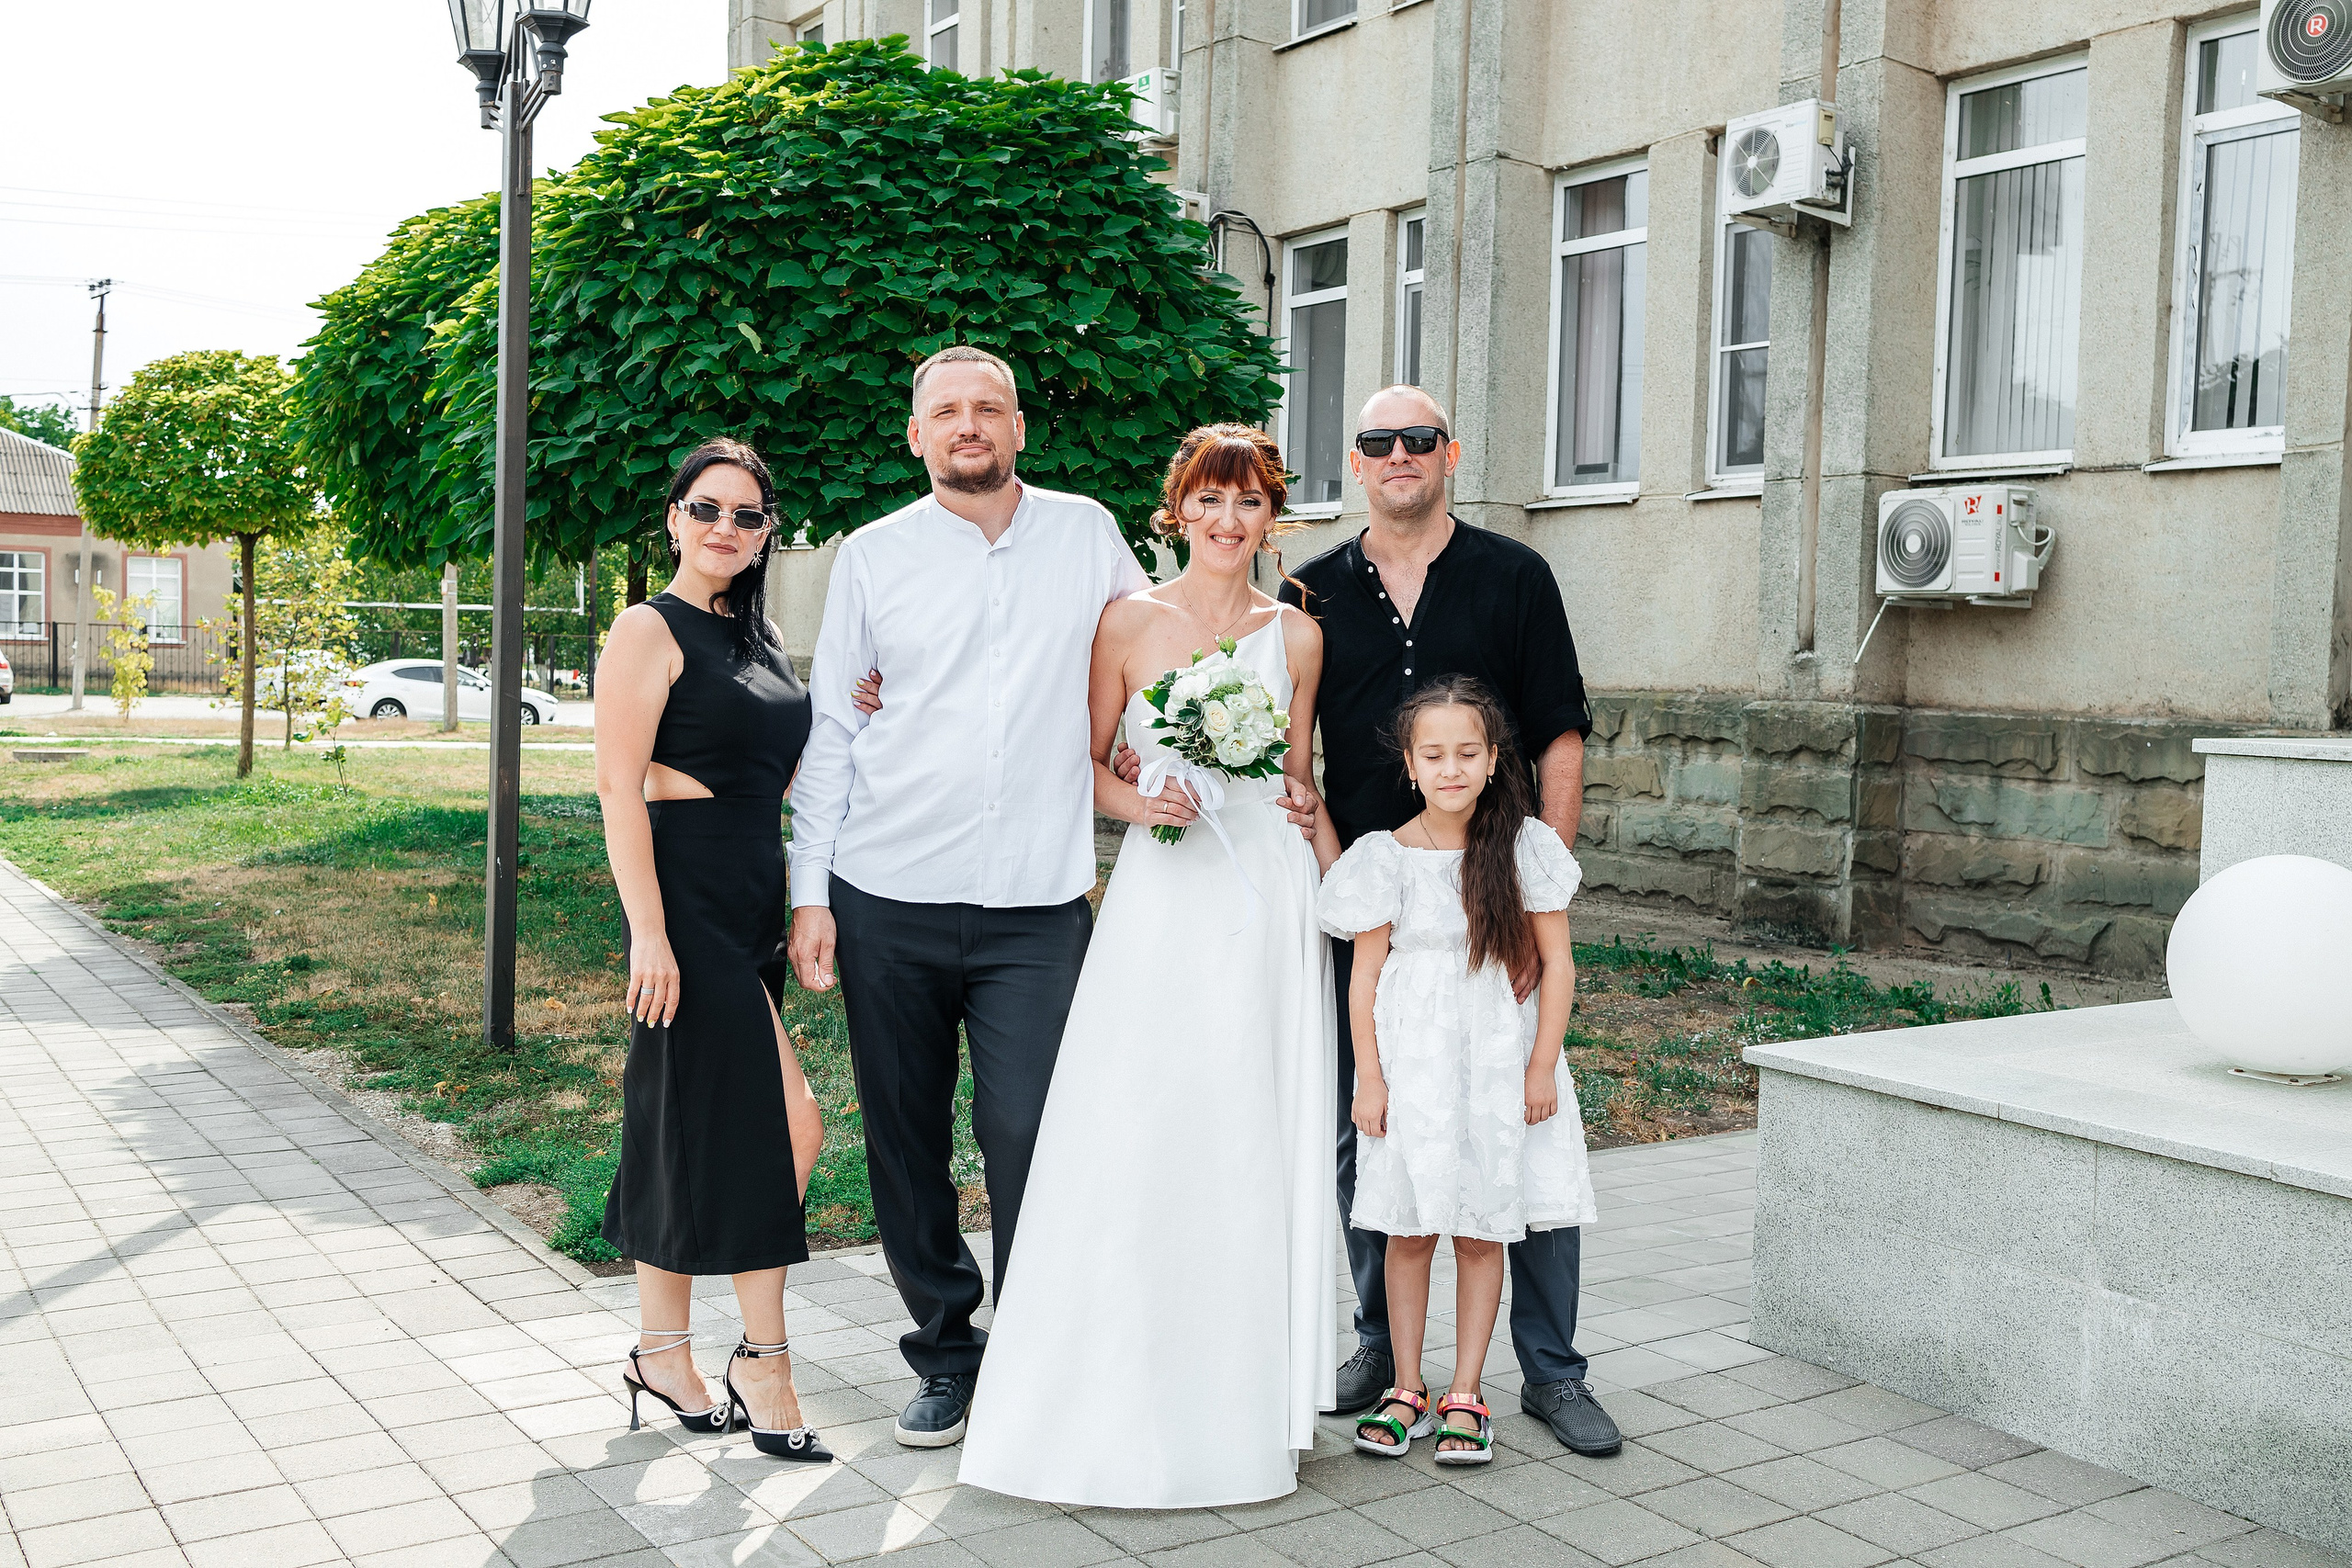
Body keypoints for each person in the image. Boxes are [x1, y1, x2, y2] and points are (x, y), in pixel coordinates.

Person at [958, 425, 1340, 1507]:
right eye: (1210, 503)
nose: (1230, 522)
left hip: (1266, 896)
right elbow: (1080, 767)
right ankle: (1116, 1368)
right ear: (1175, 512)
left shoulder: (1296, 638)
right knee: (1142, 1117)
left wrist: (1336, 865)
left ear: (1273, 517)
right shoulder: (1125, 625)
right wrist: (1142, 801)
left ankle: (1249, 1385)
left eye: (1252, 503)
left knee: (1251, 1124)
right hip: (1165, 896)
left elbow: (1298, 779)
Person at [785, 345, 1148, 1449]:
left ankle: (1037, 1347)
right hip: (888, 890)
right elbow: (835, 730)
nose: (967, 425)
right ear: (915, 435)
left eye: (988, 407)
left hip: (1038, 902)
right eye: (945, 411)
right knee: (903, 1137)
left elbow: (1158, 654)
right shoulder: (873, 557)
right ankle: (946, 1350)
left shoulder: (1087, 533)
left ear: (1020, 429)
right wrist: (812, 896)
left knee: (1033, 1125)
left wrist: (1162, 748)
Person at [1279, 385, 1622, 1456]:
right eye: (1376, 441)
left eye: (1416, 440)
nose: (1396, 456)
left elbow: (1559, 733)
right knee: (1374, 1139)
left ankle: (1551, 1372)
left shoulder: (1514, 575)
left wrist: (1533, 898)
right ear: (1355, 458)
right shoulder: (1311, 589)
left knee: (1527, 1138)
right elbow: (1292, 739)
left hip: (1495, 908)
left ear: (1449, 455)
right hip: (1376, 908)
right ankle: (1387, 1351)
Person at [594, 437, 831, 1462]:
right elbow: (616, 784)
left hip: (749, 897)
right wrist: (648, 931)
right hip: (683, 909)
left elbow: (771, 767)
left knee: (680, 1132)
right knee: (795, 1125)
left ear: (766, 530)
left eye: (746, 514)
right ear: (674, 518)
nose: (725, 528)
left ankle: (663, 1351)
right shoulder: (648, 628)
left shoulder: (763, 635)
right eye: (707, 509)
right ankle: (764, 1361)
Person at [1317, 678, 1593, 1465]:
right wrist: (1369, 1080)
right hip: (1415, 1067)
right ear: (1409, 762)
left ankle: (1467, 1391)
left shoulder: (1523, 848)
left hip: (1497, 1064)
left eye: (1467, 752)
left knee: (1479, 1227)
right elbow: (1363, 978)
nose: (1451, 768)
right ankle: (1408, 1384)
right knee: (1408, 1229)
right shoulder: (1385, 857)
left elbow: (1559, 963)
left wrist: (1542, 1063)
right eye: (1433, 754)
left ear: (1493, 758)